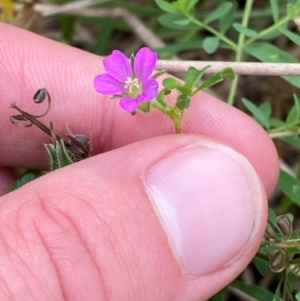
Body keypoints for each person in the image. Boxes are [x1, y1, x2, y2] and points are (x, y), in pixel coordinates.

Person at [0, 22, 278, 301]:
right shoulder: (127, 92)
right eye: (130, 86)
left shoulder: (145, 85)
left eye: (135, 85)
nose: (132, 86)